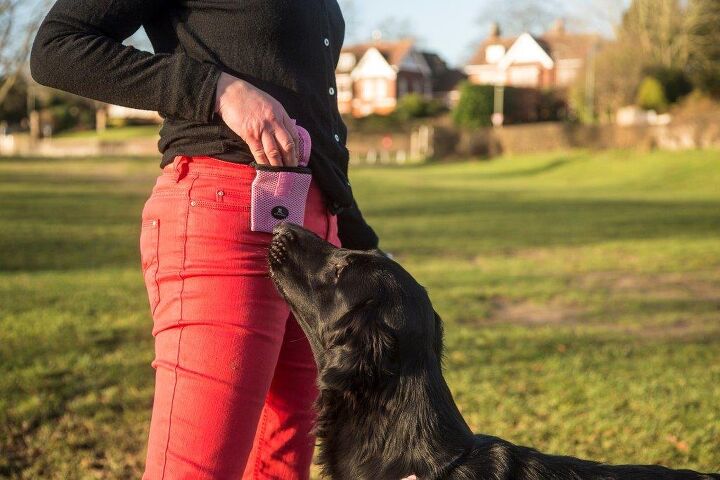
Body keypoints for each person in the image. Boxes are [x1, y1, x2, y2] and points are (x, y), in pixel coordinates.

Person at [29, 1, 379, 478]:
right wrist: (216, 89)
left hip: (317, 237)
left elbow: (315, 112)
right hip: (225, 216)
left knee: (282, 463)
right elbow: (57, 47)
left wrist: (358, 240)